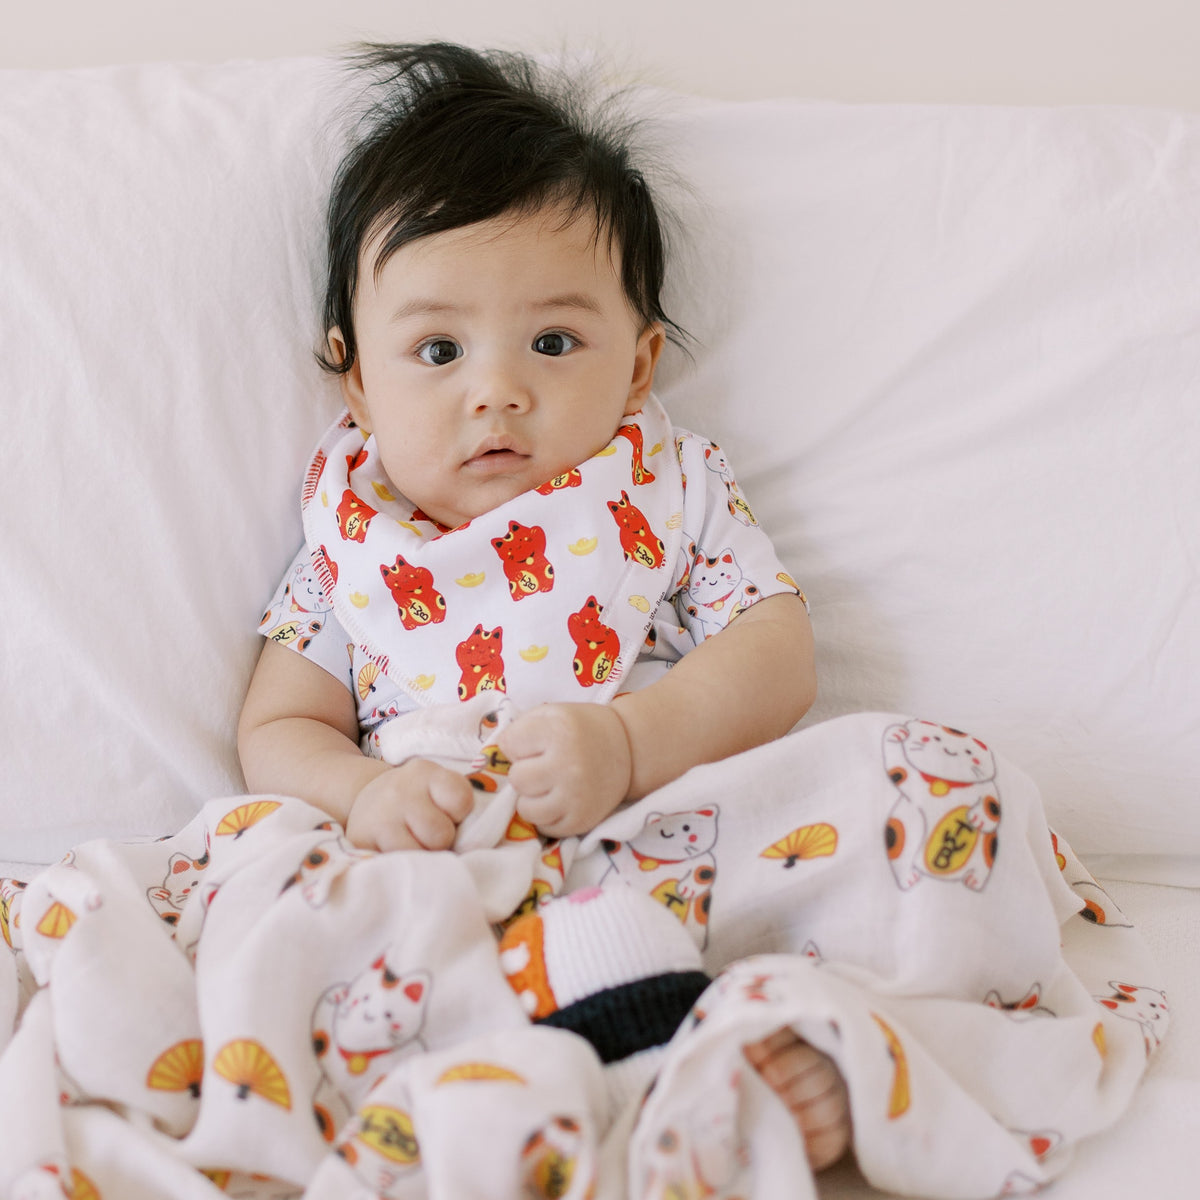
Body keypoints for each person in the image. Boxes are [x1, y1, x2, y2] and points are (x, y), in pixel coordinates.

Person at [237, 41, 848, 1171]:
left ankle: (779, 1034)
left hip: (656, 823)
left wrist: (630, 739)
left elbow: (778, 648)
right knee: (288, 923)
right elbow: (275, 731)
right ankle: (522, 1099)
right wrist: (366, 793)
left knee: (901, 793)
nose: (496, 389)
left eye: (554, 342)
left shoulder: (664, 488)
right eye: (436, 349)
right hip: (441, 857)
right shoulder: (355, 541)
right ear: (357, 380)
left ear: (637, 365)